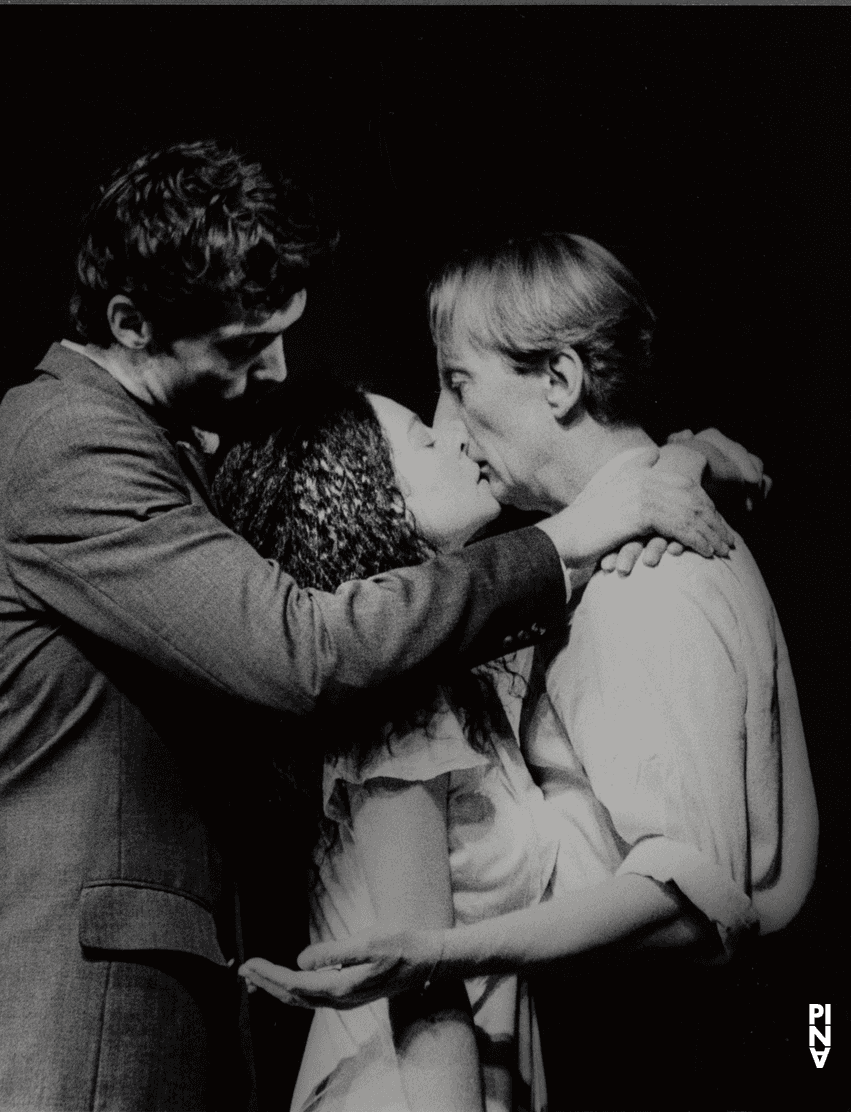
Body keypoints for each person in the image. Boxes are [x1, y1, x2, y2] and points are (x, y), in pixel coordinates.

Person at [0, 146, 730, 1111]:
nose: (277, 370)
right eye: (243, 344)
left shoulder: (159, 440)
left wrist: (677, 457)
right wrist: (572, 534)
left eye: (285, 332)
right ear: (129, 325)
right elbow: (302, 650)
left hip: (146, 1010)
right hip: (76, 1024)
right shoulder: (71, 445)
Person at [241, 233, 817, 1109]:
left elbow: (696, 892)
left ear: (560, 382)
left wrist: (686, 455)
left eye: (458, 384)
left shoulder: (642, 579)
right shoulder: (447, 669)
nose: (448, 425)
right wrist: (682, 455)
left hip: (670, 1048)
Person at [214, 382, 565, 1112]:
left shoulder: (444, 685)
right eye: (423, 438)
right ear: (368, 494)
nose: (458, 439)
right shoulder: (399, 710)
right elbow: (423, 996)